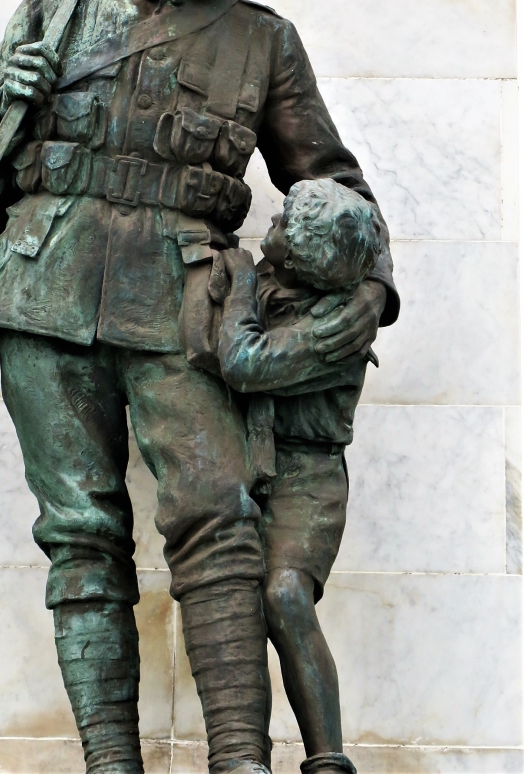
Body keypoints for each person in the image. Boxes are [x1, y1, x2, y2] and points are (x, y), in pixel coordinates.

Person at [0, 0, 399, 774]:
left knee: (218, 520)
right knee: (80, 534)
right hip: (40, 293)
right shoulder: (57, 7)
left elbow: (336, 181)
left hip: (184, 309)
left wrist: (374, 289)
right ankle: (111, 763)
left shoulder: (263, 40)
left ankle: (239, 759)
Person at [217, 178, 384, 774]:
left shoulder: (336, 328)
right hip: (251, 462)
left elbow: (244, 363)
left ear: (309, 257)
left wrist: (236, 287)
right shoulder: (277, 282)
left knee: (285, 595)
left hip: (307, 476)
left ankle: (327, 759)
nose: (274, 228)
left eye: (285, 227)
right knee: (229, 599)